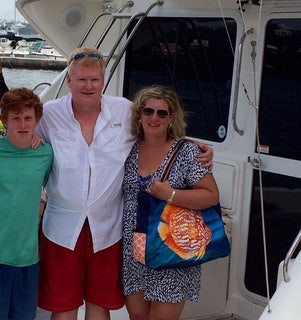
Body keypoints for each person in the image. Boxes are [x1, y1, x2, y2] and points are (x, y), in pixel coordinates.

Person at [35, 47, 214, 320]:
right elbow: (18, 136)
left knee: (99, 304)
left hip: (108, 229)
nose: (88, 85)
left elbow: (158, 129)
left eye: (94, 79)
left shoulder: (124, 111)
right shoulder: (47, 114)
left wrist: (201, 149)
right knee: (63, 307)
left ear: (103, 80)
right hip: (61, 228)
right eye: (81, 79)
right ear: (69, 81)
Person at [121, 85, 220, 320]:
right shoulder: (128, 148)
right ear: (139, 114)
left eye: (161, 113)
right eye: (148, 111)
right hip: (133, 251)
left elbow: (211, 194)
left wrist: (171, 194)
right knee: (137, 316)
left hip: (171, 249)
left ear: (171, 117)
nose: (154, 117)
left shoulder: (186, 152)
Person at [0, 87, 53, 320]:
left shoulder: (46, 154)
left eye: (28, 118)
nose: (23, 125)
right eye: (15, 118)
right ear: (4, 120)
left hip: (28, 259)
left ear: (37, 120)